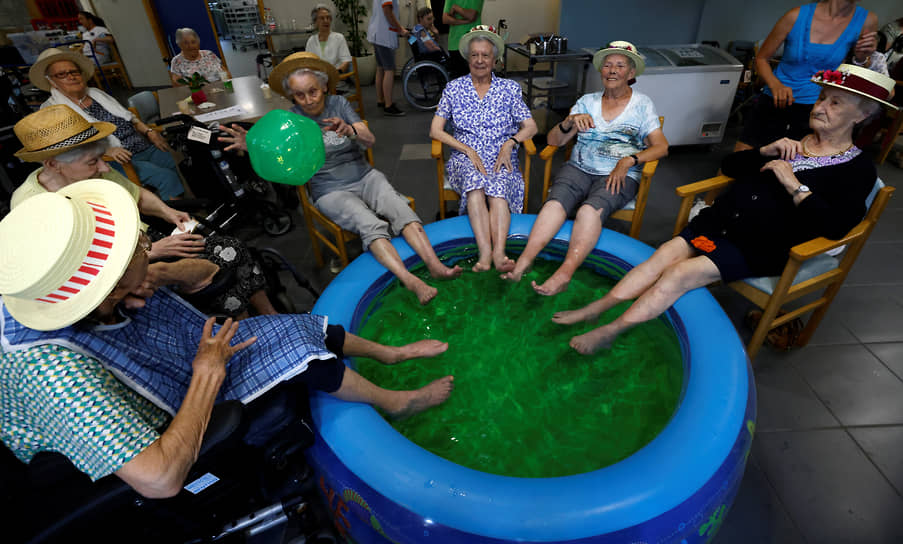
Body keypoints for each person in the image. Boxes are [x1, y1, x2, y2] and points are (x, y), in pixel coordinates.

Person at [0, 180, 455, 498]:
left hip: (169, 359)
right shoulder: (51, 371)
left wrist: (152, 273)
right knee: (305, 359)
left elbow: (207, 273)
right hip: (149, 430)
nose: (147, 245)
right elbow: (160, 479)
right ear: (107, 290)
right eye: (138, 252)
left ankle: (391, 354)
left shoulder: (87, 283)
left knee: (297, 326)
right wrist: (206, 371)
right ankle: (396, 401)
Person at [553, 64, 893, 355]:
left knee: (679, 273)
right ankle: (597, 308)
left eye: (835, 102)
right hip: (720, 221)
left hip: (761, 245)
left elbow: (836, 227)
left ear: (862, 115)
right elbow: (730, 166)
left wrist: (795, 185)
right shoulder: (792, 138)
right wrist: (765, 151)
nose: (820, 107)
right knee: (661, 255)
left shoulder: (858, 169)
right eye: (821, 98)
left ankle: (611, 331)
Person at [221, 53, 461, 304]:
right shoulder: (291, 120)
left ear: (324, 86)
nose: (308, 100)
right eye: (300, 95)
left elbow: (370, 140)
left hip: (365, 176)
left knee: (400, 209)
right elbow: (279, 157)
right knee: (370, 224)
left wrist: (350, 130)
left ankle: (435, 266)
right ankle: (410, 281)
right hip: (329, 189)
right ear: (292, 95)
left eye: (313, 92)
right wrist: (253, 147)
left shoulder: (339, 105)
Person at [11, 104, 279, 319]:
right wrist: (152, 253)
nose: (105, 170)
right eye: (93, 162)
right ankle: (245, 323)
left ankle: (268, 315)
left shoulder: (95, 175)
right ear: (53, 164)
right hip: (121, 267)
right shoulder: (34, 208)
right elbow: (79, 273)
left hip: (145, 238)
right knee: (220, 268)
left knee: (233, 247)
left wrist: (167, 212)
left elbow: (136, 195)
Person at [501, 41, 668, 295]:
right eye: (607, 65)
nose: (612, 70)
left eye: (620, 65)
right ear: (601, 71)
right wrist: (569, 122)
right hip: (579, 167)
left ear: (631, 74)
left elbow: (661, 147)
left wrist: (629, 160)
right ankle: (524, 262)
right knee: (553, 205)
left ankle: (564, 273)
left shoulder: (642, 105)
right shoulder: (586, 101)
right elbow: (553, 141)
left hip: (616, 174)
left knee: (589, 212)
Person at [429, 26, 537, 273]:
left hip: (502, 154)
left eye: (485, 55)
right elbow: (436, 130)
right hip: (465, 156)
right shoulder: (454, 88)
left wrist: (511, 142)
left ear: (494, 59)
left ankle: (499, 253)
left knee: (498, 187)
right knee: (475, 183)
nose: (480, 61)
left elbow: (530, 126)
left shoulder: (509, 88)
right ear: (468, 58)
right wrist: (466, 149)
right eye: (475, 55)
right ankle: (485, 253)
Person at [31, 47, 185, 200]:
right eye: (62, 74)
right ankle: (178, 219)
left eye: (74, 72)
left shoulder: (96, 93)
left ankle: (193, 205)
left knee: (182, 161)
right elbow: (68, 151)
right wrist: (105, 151)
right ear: (52, 81)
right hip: (114, 161)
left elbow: (130, 117)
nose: (71, 77)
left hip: (143, 146)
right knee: (167, 178)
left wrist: (149, 132)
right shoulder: (52, 110)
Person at [735, 0, 878, 151]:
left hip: (817, 106)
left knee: (793, 165)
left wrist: (862, 58)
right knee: (739, 162)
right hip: (776, 99)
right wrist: (775, 84)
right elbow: (761, 58)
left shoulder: (867, 20)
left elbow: (858, 71)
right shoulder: (795, 16)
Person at [366, 0, 409, 116]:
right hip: (384, 36)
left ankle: (381, 100)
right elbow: (387, 12)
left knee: (380, 67)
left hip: (378, 34)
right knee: (389, 69)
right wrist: (400, 29)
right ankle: (389, 106)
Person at [305, 5, 352, 73]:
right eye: (322, 18)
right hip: (318, 78)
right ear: (315, 22)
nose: (326, 21)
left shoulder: (339, 38)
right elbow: (308, 63)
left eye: (328, 18)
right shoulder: (311, 41)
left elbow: (346, 61)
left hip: (336, 77)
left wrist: (336, 73)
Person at [443, 1, 483, 78]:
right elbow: (445, 19)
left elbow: (471, 16)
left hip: (472, 43)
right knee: (459, 80)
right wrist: (464, 21)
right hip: (455, 44)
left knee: (475, 80)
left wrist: (456, 8)